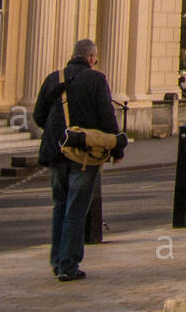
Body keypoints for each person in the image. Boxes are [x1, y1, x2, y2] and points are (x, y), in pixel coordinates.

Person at [32, 38, 127, 282]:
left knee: (59, 206)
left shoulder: (55, 77)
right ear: (92, 57)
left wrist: (58, 132)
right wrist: (116, 149)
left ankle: (57, 261)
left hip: (56, 151)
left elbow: (38, 115)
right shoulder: (96, 79)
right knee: (76, 210)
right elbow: (107, 118)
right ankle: (68, 265)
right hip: (83, 153)